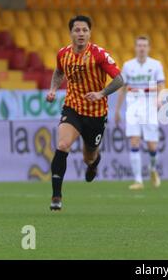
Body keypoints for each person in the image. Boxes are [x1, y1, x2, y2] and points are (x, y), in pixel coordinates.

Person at [46, 15, 124, 211]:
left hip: (96, 113)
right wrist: (54, 89)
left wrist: (101, 93)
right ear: (71, 33)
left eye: (84, 30)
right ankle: (56, 196)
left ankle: (93, 163)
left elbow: (119, 80)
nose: (81, 34)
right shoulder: (63, 54)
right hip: (72, 108)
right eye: (77, 30)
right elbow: (58, 72)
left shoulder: (99, 54)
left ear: (90, 33)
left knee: (88, 157)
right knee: (63, 145)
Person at [115, 36, 165, 190]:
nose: (142, 48)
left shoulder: (156, 65)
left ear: (148, 48)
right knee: (134, 142)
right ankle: (138, 180)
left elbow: (161, 84)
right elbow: (123, 88)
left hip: (150, 106)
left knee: (152, 145)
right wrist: (117, 110)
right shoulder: (128, 66)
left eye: (144, 45)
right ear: (135, 47)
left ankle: (152, 169)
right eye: (139, 45)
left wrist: (159, 99)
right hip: (133, 106)